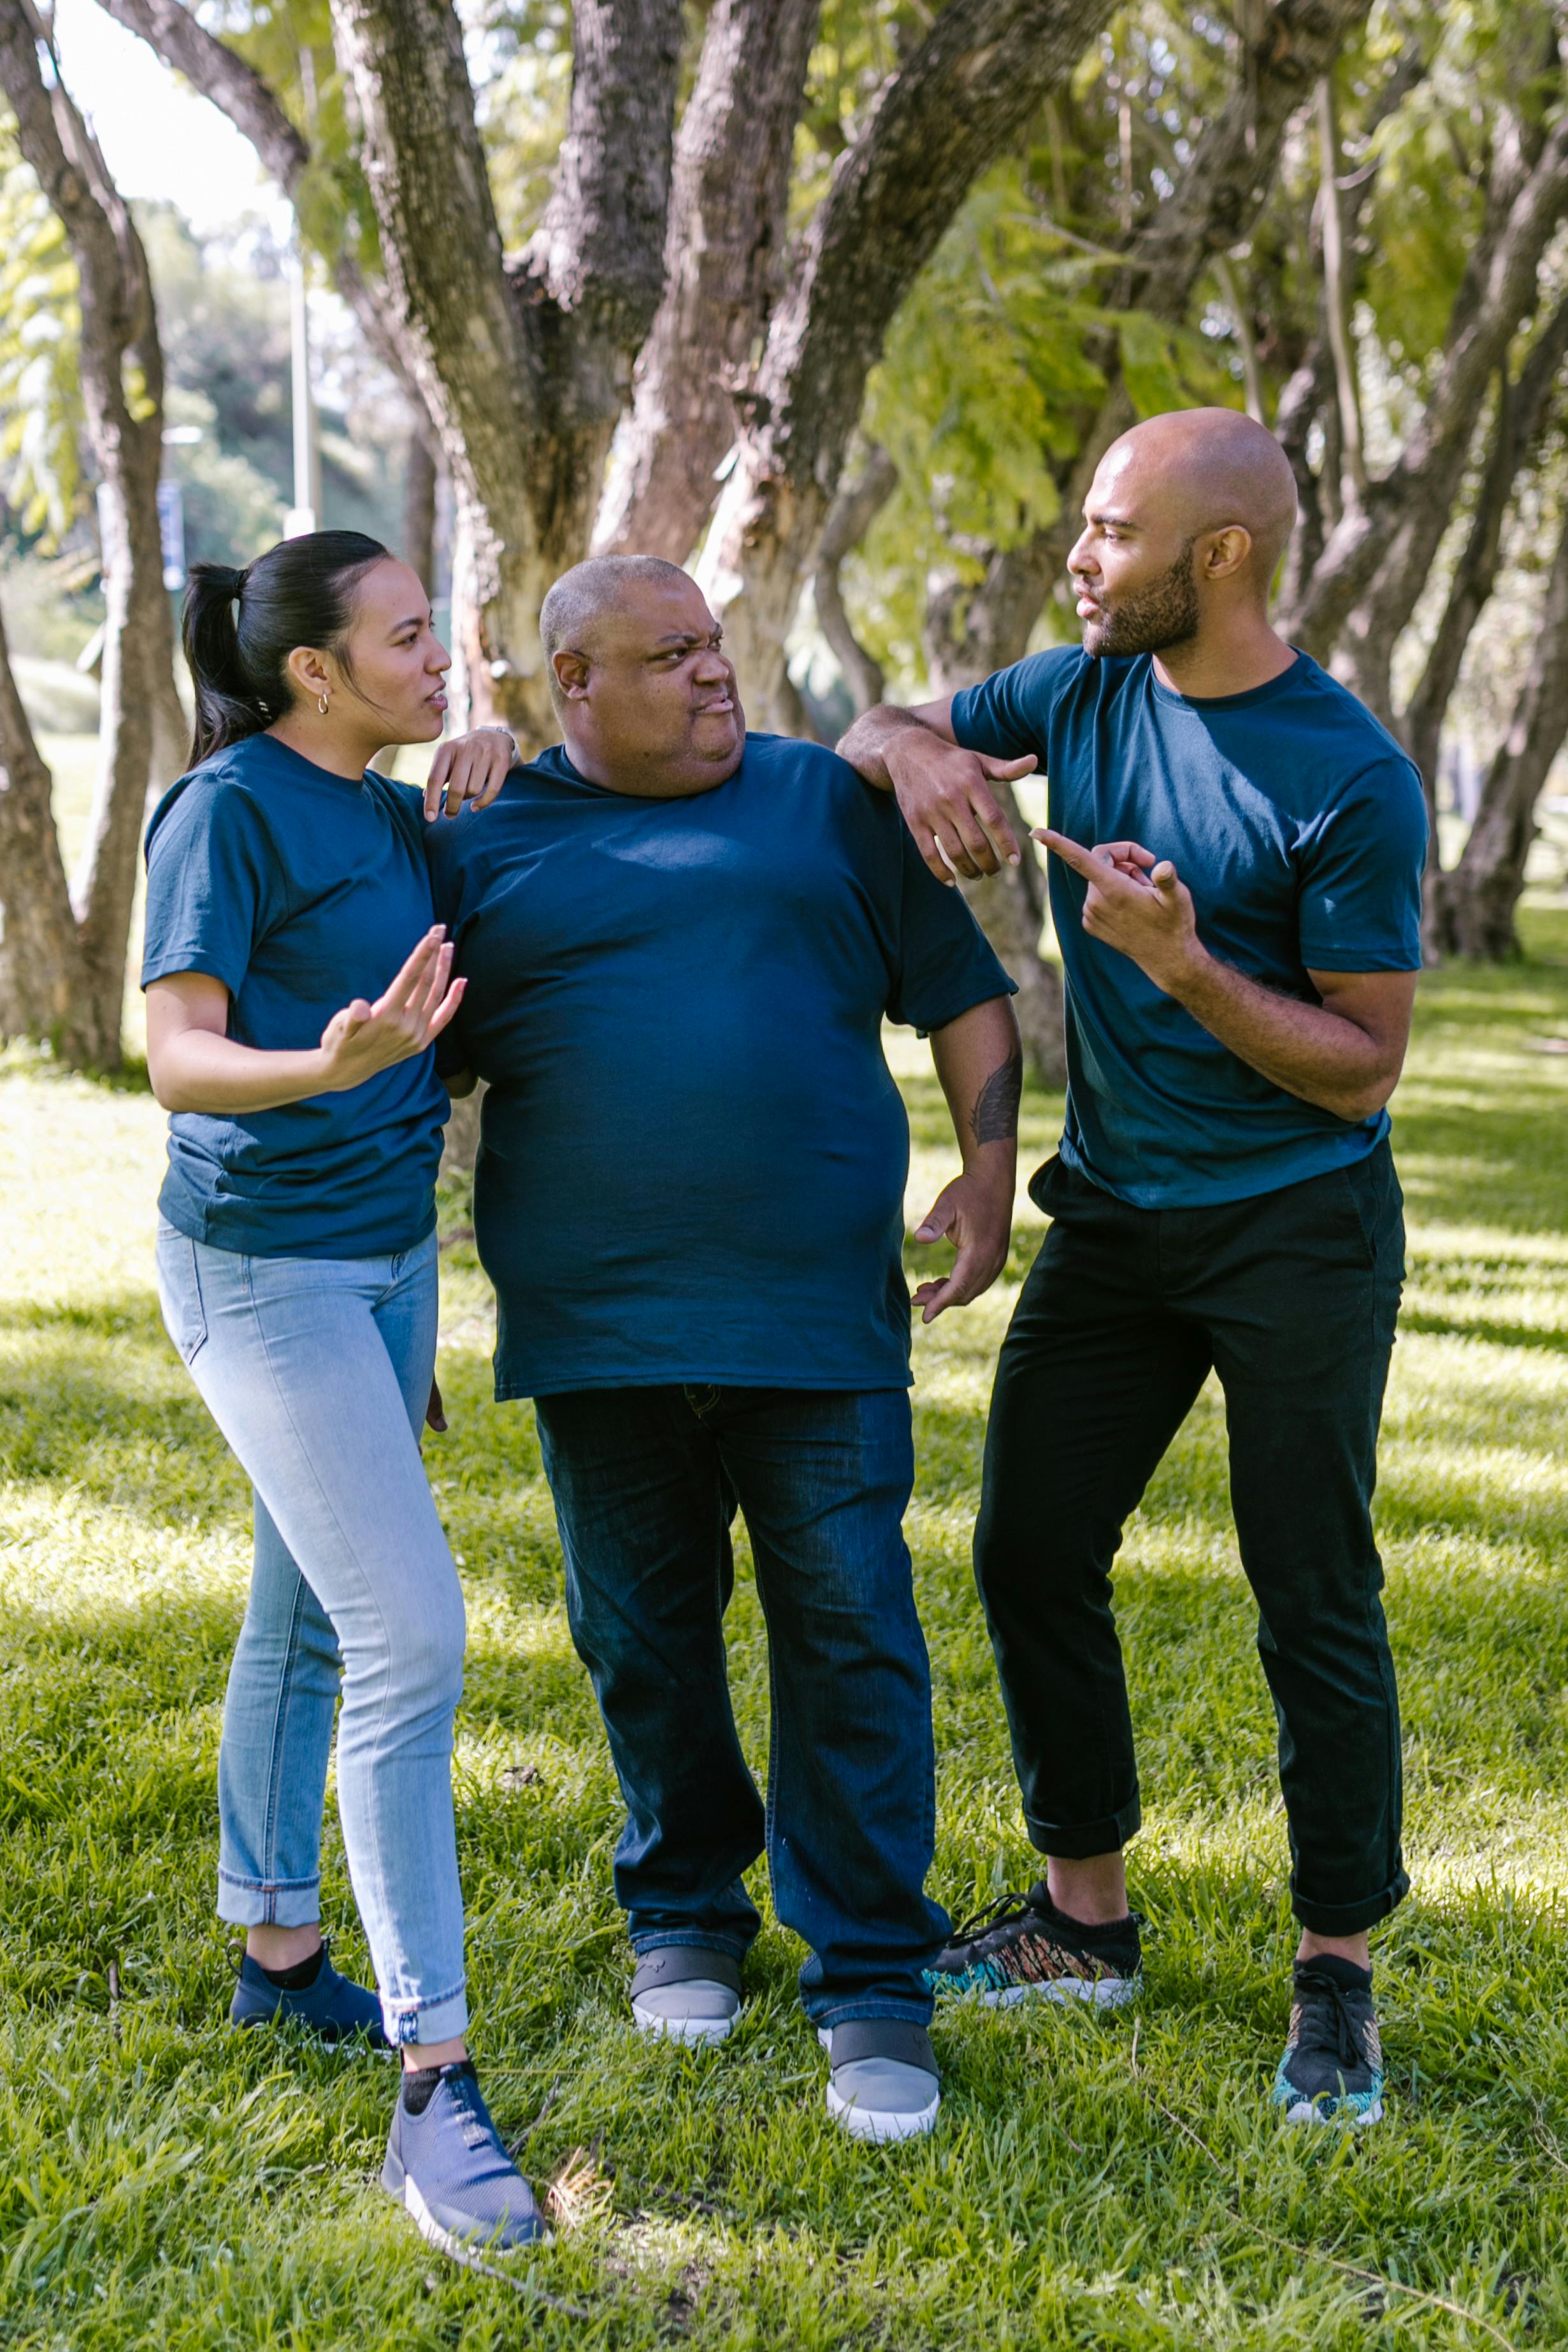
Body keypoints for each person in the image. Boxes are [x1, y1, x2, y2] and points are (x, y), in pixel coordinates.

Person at [838, 407, 1427, 2128]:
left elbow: (1360, 1064)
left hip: (1293, 1222)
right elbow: (874, 724)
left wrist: (1176, 966)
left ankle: (1332, 1968)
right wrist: (923, 755)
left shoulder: (1345, 773)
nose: (1077, 562)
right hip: (1112, 1215)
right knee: (1027, 1543)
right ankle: (1081, 1920)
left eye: (1107, 532)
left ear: (1217, 556)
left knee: (1306, 1582)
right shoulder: (1077, 688)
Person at [425, 554, 1021, 2143]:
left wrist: (986, 1160)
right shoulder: (479, 845)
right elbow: (404, 1073)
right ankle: (684, 1905)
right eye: (669, 654)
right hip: (596, 1319)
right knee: (643, 1631)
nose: (713, 674)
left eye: (716, 644)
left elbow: (964, 994)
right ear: (572, 684)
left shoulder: (822, 802)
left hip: (813, 1311)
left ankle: (874, 1975)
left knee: (849, 1626)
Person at [143, 530, 545, 2260]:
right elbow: (173, 1049)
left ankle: (277, 1951)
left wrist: (482, 778)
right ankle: (431, 2083)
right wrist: (326, 1062)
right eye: (406, 637)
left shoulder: (384, 812)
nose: (437, 654)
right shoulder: (221, 811)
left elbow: (456, 923)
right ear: (314, 670)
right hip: (259, 1266)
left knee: (307, 1611)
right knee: (413, 1639)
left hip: (382, 1265)